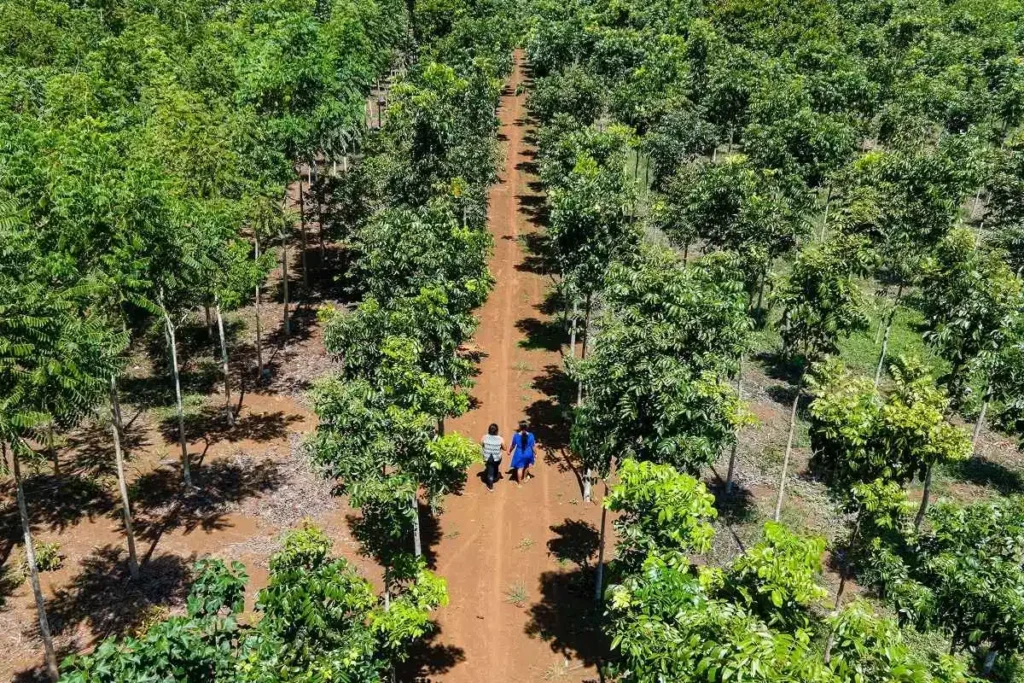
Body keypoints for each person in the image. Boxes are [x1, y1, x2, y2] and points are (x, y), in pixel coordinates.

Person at [510, 420, 536, 485]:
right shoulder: (531, 435)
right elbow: (533, 447)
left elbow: (513, 445)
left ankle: (519, 483)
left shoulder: (516, 435)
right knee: (526, 466)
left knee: (520, 468)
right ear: (527, 427)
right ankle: (525, 478)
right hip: (528, 453)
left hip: (519, 453)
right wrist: (535, 453)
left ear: (520, 427)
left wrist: (509, 451)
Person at [481, 423, 505, 492]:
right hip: (497, 458)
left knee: (490, 470)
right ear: (497, 431)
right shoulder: (500, 439)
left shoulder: (484, 437)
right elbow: (505, 448)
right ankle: (493, 479)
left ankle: (490, 486)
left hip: (487, 457)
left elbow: (480, 445)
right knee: (495, 467)